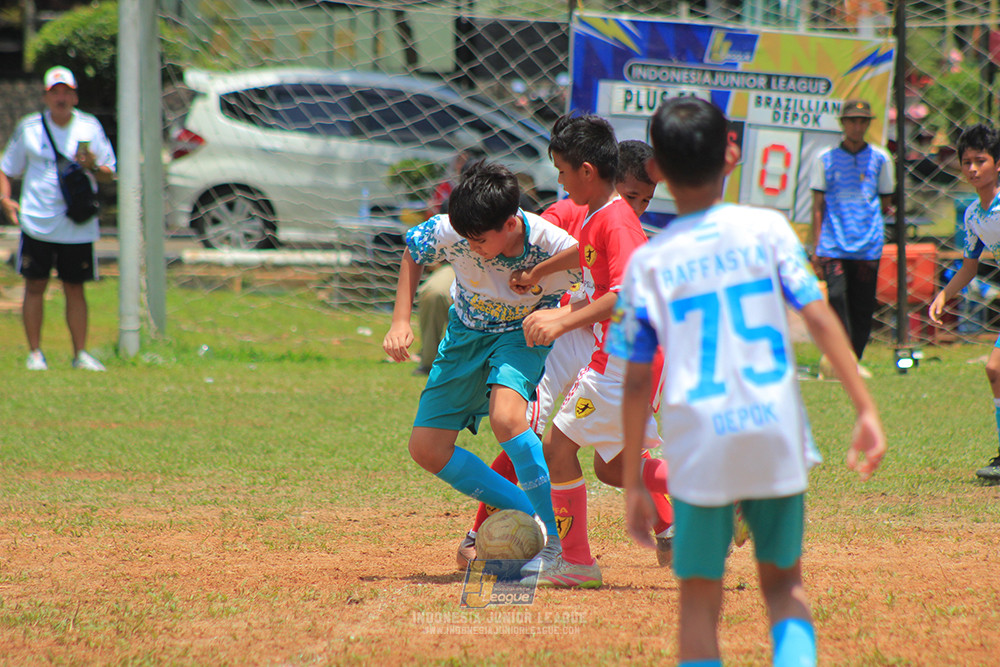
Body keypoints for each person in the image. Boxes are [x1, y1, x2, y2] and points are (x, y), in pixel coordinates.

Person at [611, 97, 886, 667]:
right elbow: (818, 315)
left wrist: (637, 481)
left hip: (699, 441)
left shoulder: (650, 262)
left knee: (698, 601)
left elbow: (637, 382)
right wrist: (865, 407)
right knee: (784, 588)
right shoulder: (767, 229)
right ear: (731, 153)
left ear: (657, 167)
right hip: (773, 428)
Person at [455, 139, 677, 570]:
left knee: (556, 443)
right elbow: (554, 244)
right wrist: (537, 273)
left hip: (603, 339)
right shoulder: (575, 214)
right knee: (583, 451)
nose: (638, 206)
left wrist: (559, 316)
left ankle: (580, 554)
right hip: (581, 334)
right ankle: (485, 531)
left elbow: (623, 293)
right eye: (632, 195)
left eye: (645, 200)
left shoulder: (618, 221)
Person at [382, 160, 578, 559]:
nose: (470, 247)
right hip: (465, 335)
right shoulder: (457, 226)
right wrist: (401, 320)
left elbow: (602, 284)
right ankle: (530, 515)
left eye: (479, 240)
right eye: (465, 239)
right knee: (426, 448)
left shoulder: (552, 244)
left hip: (519, 336)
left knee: (507, 419)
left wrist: (559, 315)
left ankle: (555, 545)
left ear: (509, 224)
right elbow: (414, 250)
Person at [0, 66, 116, 372]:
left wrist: (91, 165)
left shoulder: (89, 127)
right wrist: (5, 199)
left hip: (76, 224)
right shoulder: (30, 128)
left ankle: (80, 354)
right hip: (37, 220)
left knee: (75, 287)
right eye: (55, 93)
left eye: (66, 92)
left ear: (75, 96)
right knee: (34, 285)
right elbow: (6, 167)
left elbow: (109, 173)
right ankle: (35, 354)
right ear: (46, 97)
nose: (61, 98)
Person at [929, 123, 1000, 481]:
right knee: (995, 370)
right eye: (966, 161)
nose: (972, 169)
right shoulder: (974, 215)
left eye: (981, 161)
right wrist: (944, 294)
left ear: (998, 164)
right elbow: (970, 266)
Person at [810, 99, 895, 376]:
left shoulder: (881, 158)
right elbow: (818, 205)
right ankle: (839, 359)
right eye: (852, 121)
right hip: (834, 242)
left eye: (863, 121)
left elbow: (885, 202)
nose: (857, 126)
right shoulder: (825, 158)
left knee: (862, 306)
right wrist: (816, 245)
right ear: (842, 124)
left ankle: (852, 362)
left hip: (867, 244)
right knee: (835, 298)